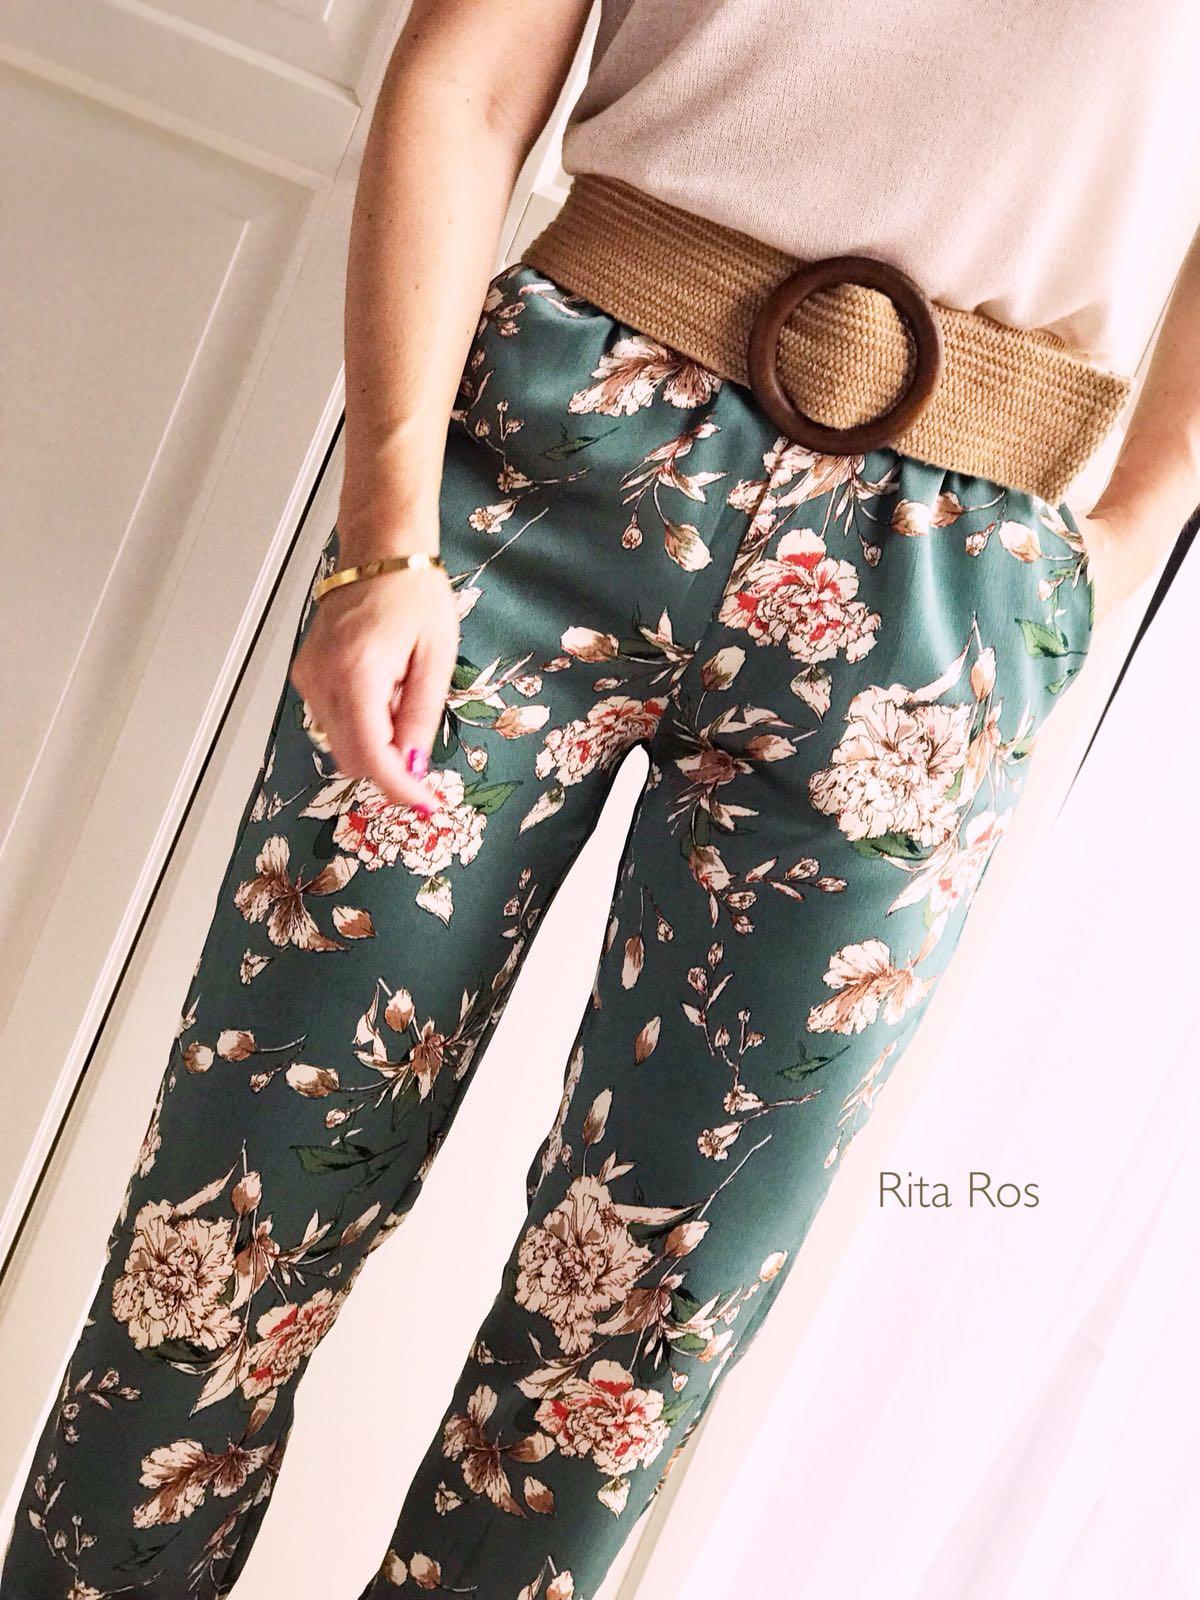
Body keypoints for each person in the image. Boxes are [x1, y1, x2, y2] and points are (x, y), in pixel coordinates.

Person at [5, 2, 1200, 1596]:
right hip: (544, 470)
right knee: (229, 1225)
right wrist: (383, 535)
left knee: (626, 1364)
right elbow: (469, 69)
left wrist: (1123, 536)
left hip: (942, 603)